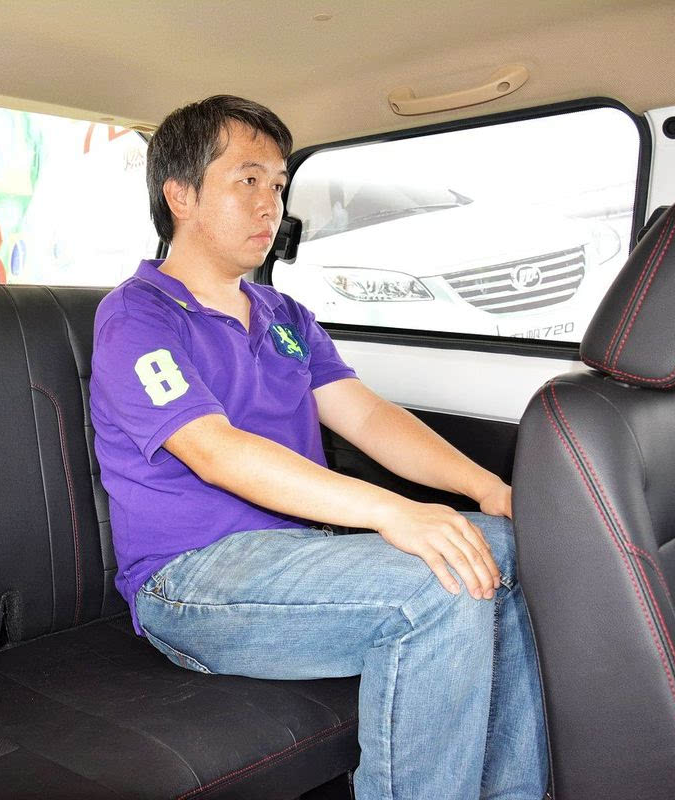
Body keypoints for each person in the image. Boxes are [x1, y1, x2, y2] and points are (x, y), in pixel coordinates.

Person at [90, 95, 549, 800]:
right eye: (248, 180)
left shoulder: (285, 315)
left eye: (278, 185)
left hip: (300, 559)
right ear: (180, 195)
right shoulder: (137, 316)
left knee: (508, 548)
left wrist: (488, 489)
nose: (270, 205)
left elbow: (367, 417)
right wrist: (392, 511)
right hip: (191, 582)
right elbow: (215, 450)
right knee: (440, 581)